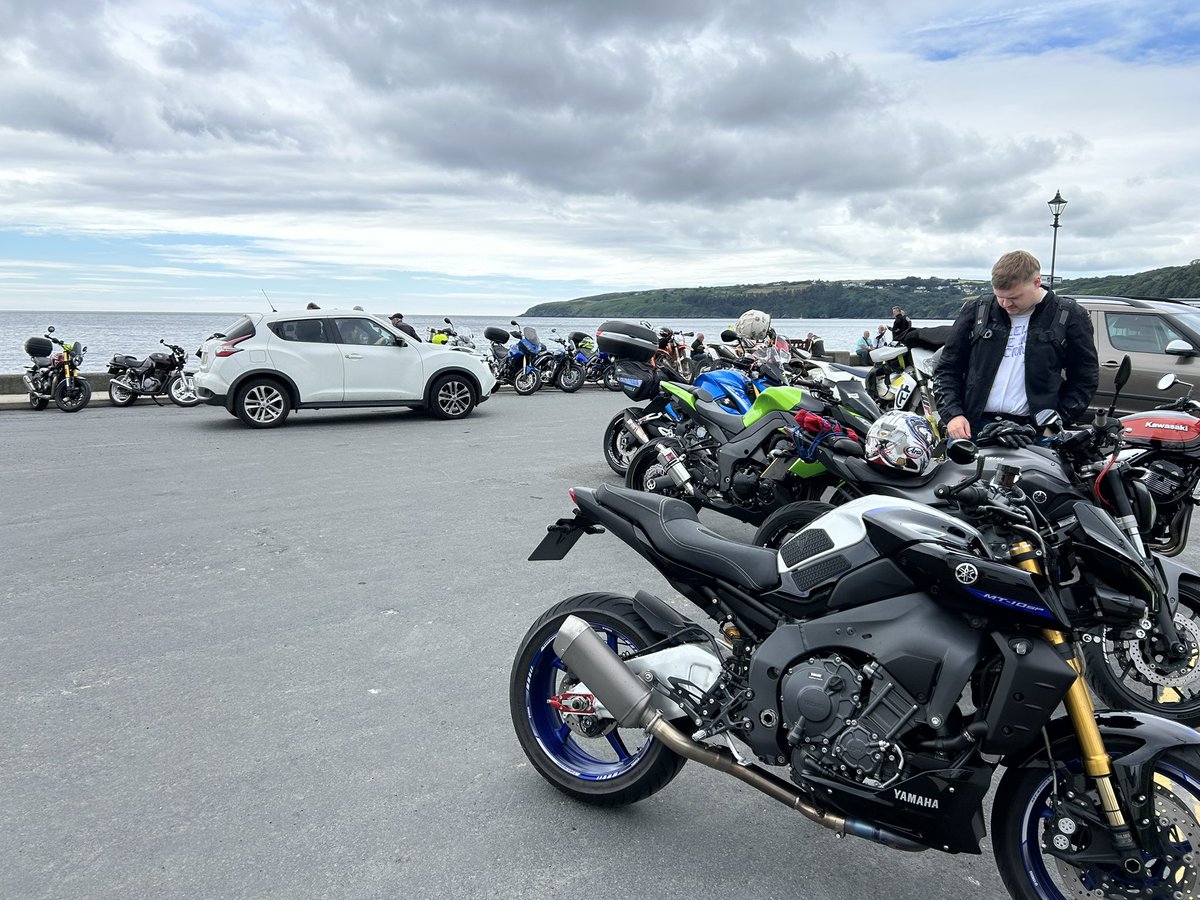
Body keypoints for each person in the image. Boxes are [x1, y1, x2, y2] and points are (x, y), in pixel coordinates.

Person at [934, 249, 1099, 441]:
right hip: (972, 426)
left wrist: (1053, 426)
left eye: (1014, 297)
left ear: (1037, 282)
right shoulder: (978, 310)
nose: (1005, 304)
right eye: (999, 296)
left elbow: (1085, 378)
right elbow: (947, 368)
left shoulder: (1069, 315)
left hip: (1034, 431)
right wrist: (953, 415)